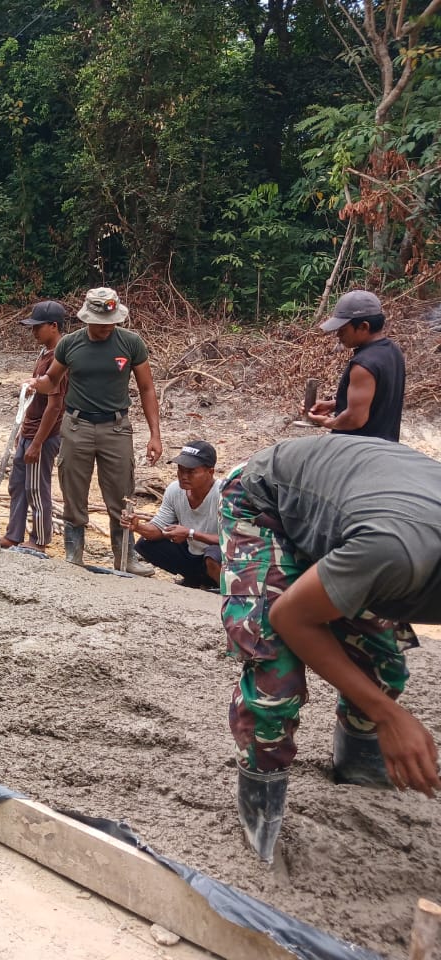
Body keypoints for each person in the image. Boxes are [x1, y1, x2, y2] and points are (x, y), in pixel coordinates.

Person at [220, 434, 441, 863]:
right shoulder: (398, 553)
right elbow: (292, 617)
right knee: (275, 682)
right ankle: (261, 810)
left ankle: (357, 769)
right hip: (266, 503)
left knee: (381, 668)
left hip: (353, 520)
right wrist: (388, 716)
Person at [22, 287, 161, 573]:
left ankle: (125, 556)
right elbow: (52, 381)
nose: (104, 327)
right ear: (87, 319)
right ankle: (74, 554)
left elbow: (147, 389)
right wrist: (38, 384)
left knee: (121, 493)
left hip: (116, 427)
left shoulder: (131, 343)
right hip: (76, 425)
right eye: (98, 321)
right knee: (74, 491)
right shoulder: (70, 345)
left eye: (109, 321)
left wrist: (155, 434)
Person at [2, 301, 67, 552]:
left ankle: (39, 539)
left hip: (45, 433)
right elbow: (36, 400)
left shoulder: (59, 358)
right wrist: (23, 431)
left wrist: (38, 442)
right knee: (18, 484)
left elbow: (54, 405)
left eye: (38, 327)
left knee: (36, 488)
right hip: (30, 429)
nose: (33, 332)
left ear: (53, 326)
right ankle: (14, 534)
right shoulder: (44, 353)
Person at [307, 289, 405, 442]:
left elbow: (354, 419)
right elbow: (376, 400)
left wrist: (327, 422)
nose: (338, 335)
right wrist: (333, 405)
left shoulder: (363, 365)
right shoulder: (393, 351)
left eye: (343, 329)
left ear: (364, 327)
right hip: (386, 449)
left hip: (358, 452)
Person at [125, 440, 221, 588]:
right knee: (146, 544)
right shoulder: (175, 490)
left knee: (213, 555)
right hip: (193, 551)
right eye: (181, 470)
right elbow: (158, 528)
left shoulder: (225, 494)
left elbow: (234, 541)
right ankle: (195, 579)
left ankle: (224, 589)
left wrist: (191, 533)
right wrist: (138, 527)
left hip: (219, 555)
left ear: (210, 472)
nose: (183, 476)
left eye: (191, 472)